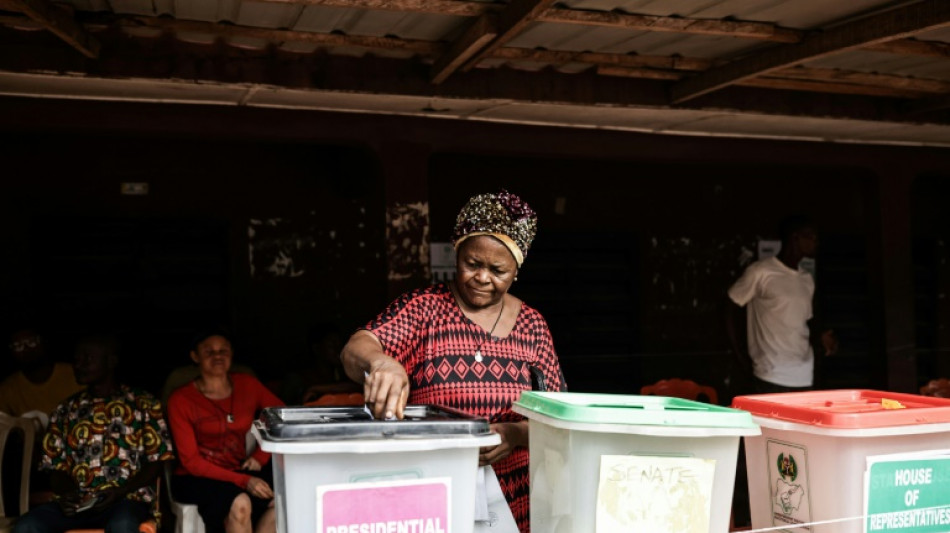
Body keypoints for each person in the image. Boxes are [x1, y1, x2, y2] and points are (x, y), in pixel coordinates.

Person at [341, 189, 567, 532]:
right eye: (472, 264)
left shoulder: (533, 325)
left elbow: (558, 418)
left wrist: (514, 434)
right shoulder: (424, 309)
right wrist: (381, 362)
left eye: (498, 270)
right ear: (456, 253)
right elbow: (357, 347)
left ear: (516, 270)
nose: (482, 277)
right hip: (433, 489)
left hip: (516, 497)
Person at [13, 333, 174, 533]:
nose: (79, 365)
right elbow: (54, 467)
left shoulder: (144, 404)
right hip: (78, 504)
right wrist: (68, 495)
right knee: (26, 526)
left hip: (126, 500)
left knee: (123, 525)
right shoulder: (66, 409)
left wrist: (121, 491)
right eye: (76, 360)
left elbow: (157, 461)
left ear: (111, 361)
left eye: (88, 359)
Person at [167, 328, 284, 533]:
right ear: (195, 356)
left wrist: (260, 456)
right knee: (240, 504)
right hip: (197, 477)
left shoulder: (248, 385)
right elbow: (191, 462)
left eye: (223, 351)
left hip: (241, 468)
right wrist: (245, 481)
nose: (218, 356)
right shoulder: (181, 400)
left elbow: (283, 419)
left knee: (281, 501)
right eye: (209, 352)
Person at [726, 215, 838, 393]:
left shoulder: (807, 280)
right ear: (795, 238)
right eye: (810, 236)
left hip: (804, 373)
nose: (816, 242)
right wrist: (741, 357)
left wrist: (821, 336)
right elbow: (730, 308)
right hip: (770, 373)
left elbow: (803, 321)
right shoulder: (761, 272)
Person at [0, 327, 84, 418]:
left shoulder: (75, 373)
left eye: (32, 342)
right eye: (18, 346)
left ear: (44, 341)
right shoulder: (7, 389)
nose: (26, 349)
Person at [280, 322, 361, 404]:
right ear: (316, 349)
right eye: (332, 345)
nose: (338, 349)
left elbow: (361, 387)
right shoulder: (297, 379)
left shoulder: (343, 377)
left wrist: (316, 389)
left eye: (340, 345)